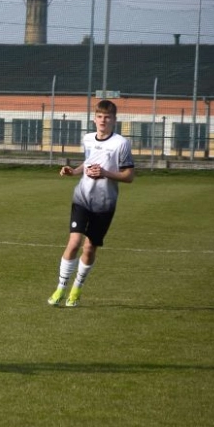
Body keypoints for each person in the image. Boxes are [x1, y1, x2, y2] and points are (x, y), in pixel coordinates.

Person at [47, 99, 135, 308]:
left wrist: (105, 173)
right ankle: (60, 288)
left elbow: (129, 176)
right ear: (94, 119)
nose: (103, 120)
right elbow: (88, 163)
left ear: (114, 120)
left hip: (104, 204)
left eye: (107, 117)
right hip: (82, 198)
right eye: (100, 117)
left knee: (88, 248)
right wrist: (73, 171)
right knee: (74, 243)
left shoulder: (121, 144)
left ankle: (76, 290)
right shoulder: (87, 139)